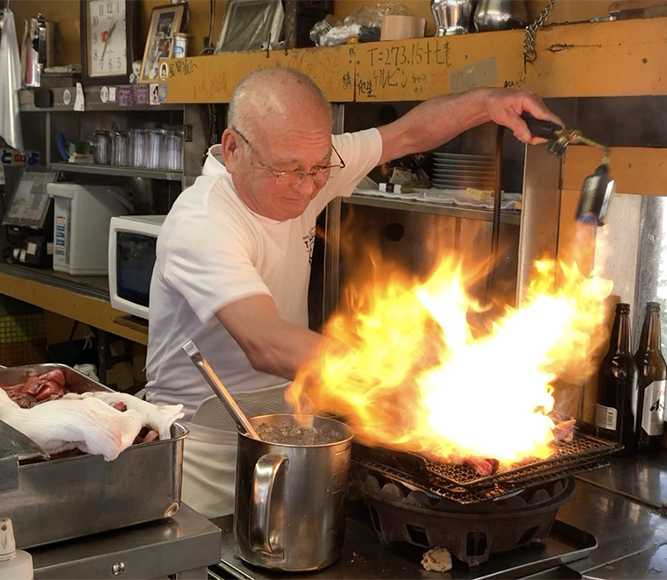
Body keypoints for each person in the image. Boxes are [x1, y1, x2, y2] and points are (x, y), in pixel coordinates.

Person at [145, 67, 562, 517]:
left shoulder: (303, 158)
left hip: (286, 434)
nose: (307, 188)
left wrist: (486, 104)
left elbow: (406, 135)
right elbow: (266, 342)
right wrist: (403, 380)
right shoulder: (204, 221)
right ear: (232, 149)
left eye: (319, 167)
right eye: (288, 171)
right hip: (203, 453)